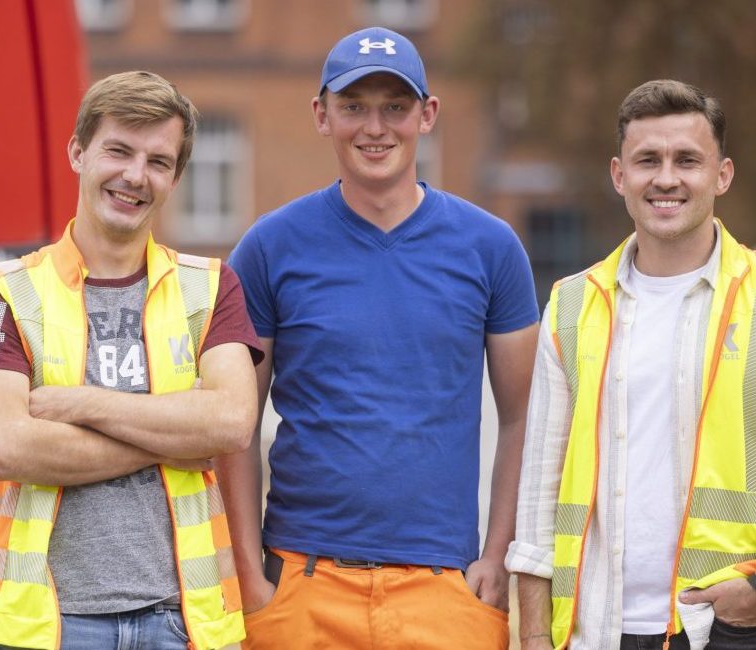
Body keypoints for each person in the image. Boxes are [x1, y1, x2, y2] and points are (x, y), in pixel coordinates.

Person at [507, 79, 756, 650]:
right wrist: (531, 635)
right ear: (619, 176)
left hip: (726, 630)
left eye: (687, 160)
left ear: (721, 175)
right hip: (594, 632)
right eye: (647, 159)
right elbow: (538, 502)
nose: (666, 178)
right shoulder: (570, 307)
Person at [219, 26, 540, 650]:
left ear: (428, 114)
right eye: (354, 106)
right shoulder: (268, 247)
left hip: (446, 588)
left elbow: (523, 417)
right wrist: (248, 571)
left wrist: (497, 558)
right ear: (321, 115)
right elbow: (234, 421)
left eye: (395, 106)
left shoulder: (492, 247)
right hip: (302, 583)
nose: (375, 127)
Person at [0, 70, 264, 650]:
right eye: (118, 151)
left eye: (158, 161)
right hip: (51, 626)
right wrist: (180, 436)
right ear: (78, 151)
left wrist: (86, 404)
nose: (134, 176)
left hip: (184, 623)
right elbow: (6, 447)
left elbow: (230, 424)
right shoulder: (3, 290)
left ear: (174, 177)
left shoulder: (211, 287)